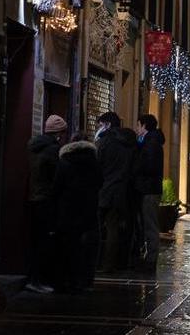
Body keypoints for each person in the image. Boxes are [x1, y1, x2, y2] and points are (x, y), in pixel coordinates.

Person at [53, 133, 103, 290]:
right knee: (87, 248)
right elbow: (100, 183)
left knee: (67, 246)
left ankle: (67, 280)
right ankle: (85, 281)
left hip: (68, 210)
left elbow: (57, 187)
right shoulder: (94, 162)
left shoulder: (64, 161)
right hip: (88, 210)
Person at [26, 114, 67, 293]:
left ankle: (34, 278)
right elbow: (58, 177)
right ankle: (38, 279)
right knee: (45, 241)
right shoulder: (52, 151)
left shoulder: (34, 147)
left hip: (34, 198)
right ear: (58, 133)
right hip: (46, 200)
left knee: (36, 240)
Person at [95, 112, 135, 273]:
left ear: (108, 125)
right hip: (121, 190)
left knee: (97, 227)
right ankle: (111, 263)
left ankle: (96, 262)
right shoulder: (129, 143)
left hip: (104, 189)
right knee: (114, 227)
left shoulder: (104, 143)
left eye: (100, 125)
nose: (99, 128)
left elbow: (97, 166)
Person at [131, 114, 165, 271]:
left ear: (144, 126)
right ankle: (148, 258)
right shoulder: (150, 141)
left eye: (138, 125)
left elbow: (149, 167)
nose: (137, 129)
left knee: (150, 225)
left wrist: (137, 168)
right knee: (147, 224)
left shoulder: (150, 143)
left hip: (149, 189)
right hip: (148, 188)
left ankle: (151, 260)